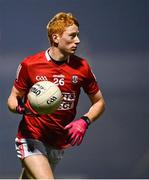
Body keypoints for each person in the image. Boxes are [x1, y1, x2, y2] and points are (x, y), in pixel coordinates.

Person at [7, 12, 105, 179]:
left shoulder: (82, 68)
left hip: (57, 141)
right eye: (72, 36)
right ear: (56, 37)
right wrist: (21, 108)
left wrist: (84, 121)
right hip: (30, 136)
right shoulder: (30, 65)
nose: (78, 41)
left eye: (78, 35)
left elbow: (99, 102)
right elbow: (12, 98)